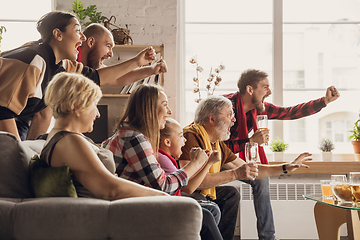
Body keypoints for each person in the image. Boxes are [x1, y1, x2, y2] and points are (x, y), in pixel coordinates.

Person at [0, 11, 162, 141]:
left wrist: (138, 62)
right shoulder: (33, 61)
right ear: (58, 34)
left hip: (18, 122)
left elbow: (98, 78)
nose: (82, 37)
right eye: (77, 30)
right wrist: (20, 156)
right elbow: (3, 112)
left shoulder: (62, 65)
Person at [222, 68, 340, 239]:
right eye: (265, 87)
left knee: (261, 179)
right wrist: (250, 142)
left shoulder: (259, 108)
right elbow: (215, 146)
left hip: (228, 159)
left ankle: (268, 237)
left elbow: (290, 112)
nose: (269, 91)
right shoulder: (224, 106)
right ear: (250, 90)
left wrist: (324, 101)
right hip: (210, 159)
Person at [178, 95, 312, 240]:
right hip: (182, 193)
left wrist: (286, 167)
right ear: (212, 119)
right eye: (229, 115)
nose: (234, 120)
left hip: (197, 191)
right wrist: (235, 174)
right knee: (227, 195)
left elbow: (250, 169)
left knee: (230, 194)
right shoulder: (190, 136)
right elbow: (188, 182)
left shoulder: (217, 144)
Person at [102, 84, 223, 240]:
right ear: (149, 108)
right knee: (205, 216)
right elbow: (164, 186)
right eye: (165, 105)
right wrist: (196, 163)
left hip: (130, 204)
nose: (169, 111)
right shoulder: (134, 138)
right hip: (130, 208)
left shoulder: (125, 134)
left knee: (207, 212)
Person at [40, 72, 166, 200]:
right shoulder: (70, 141)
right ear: (76, 106)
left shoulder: (58, 137)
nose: (98, 114)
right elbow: (109, 189)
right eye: (94, 105)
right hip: (103, 213)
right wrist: (162, 195)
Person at [159, 117, 223, 240]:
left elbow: (187, 187)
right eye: (181, 136)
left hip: (175, 200)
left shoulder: (167, 159)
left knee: (211, 210)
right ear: (167, 142)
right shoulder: (163, 160)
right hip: (171, 205)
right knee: (210, 212)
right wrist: (196, 162)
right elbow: (189, 188)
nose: (185, 140)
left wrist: (208, 163)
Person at [79, 23, 167, 86]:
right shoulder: (69, 63)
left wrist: (151, 69)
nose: (111, 54)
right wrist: (137, 61)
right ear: (91, 42)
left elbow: (118, 78)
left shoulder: (89, 67)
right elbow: (99, 76)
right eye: (108, 46)